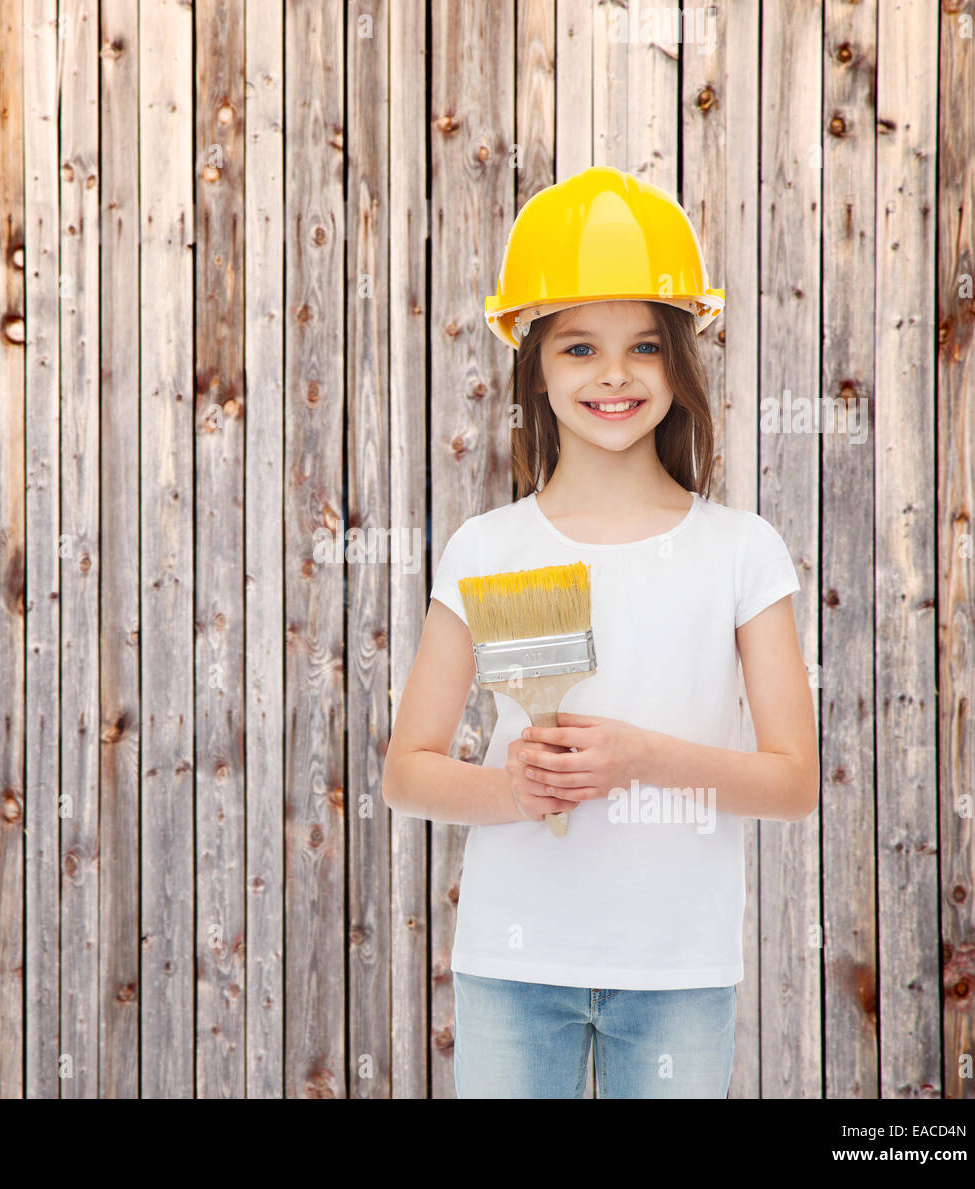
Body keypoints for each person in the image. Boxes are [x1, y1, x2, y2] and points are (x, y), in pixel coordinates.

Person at [381, 166, 818, 1099]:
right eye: (579, 346)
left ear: (679, 364)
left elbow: (791, 783)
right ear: (534, 365)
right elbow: (406, 770)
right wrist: (515, 786)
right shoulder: (488, 548)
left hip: (678, 972)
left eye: (645, 347)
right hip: (513, 964)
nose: (613, 375)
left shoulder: (742, 551)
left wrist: (642, 757)